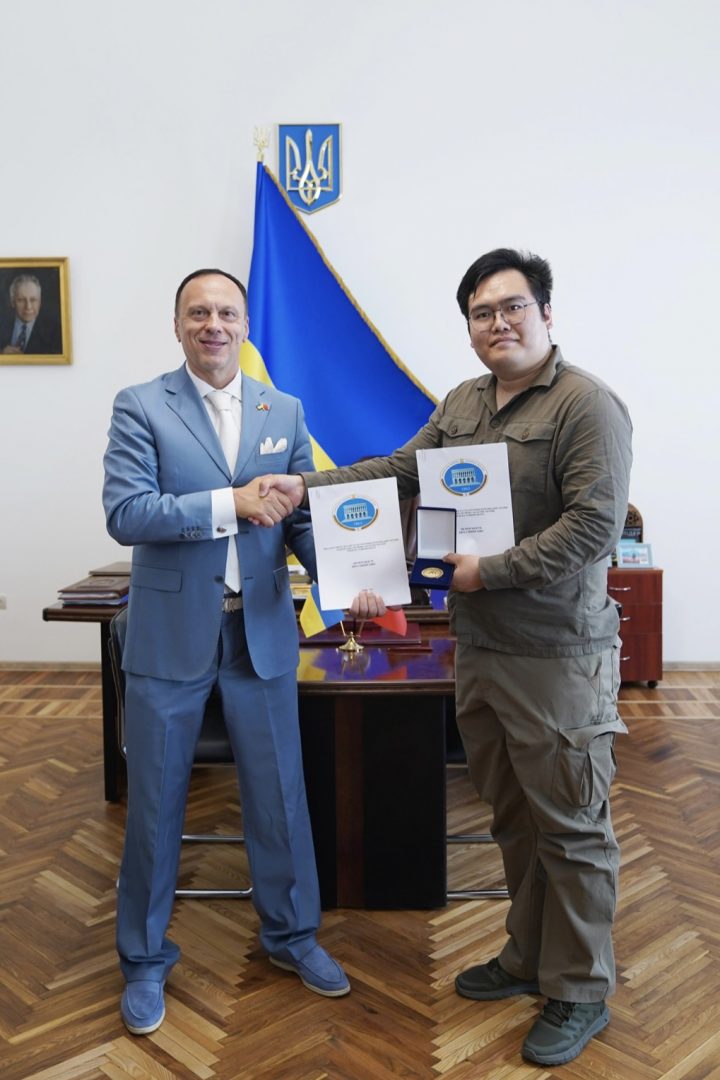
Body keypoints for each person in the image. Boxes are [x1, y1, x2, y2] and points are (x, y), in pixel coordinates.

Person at [260, 248, 633, 1067]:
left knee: (572, 826)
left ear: (545, 313)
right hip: (481, 647)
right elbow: (401, 470)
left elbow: (593, 528)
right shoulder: (463, 401)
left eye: (512, 306)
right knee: (512, 817)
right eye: (480, 313)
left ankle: (580, 989)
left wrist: (486, 571)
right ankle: (527, 956)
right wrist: (302, 486)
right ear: (469, 328)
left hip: (557, 656)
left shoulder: (587, 406)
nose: (498, 323)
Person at [102, 268, 351, 1038]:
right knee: (155, 804)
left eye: (227, 313)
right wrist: (228, 504)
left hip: (262, 632)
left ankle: (292, 936)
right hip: (169, 636)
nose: (214, 324)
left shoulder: (285, 410)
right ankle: (144, 958)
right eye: (199, 312)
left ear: (246, 325)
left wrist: (352, 577)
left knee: (280, 796)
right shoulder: (141, 405)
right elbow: (126, 512)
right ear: (178, 324)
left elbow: (300, 520)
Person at [0, 273, 62, 354]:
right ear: (12, 302)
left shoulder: (55, 332)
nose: (28, 307)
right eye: (21, 300)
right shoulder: (2, 325)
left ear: (40, 302)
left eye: (33, 300)